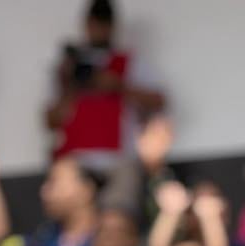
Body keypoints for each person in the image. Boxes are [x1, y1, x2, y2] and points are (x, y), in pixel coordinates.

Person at [46, 0, 166, 171]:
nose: (98, 30)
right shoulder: (69, 68)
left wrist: (118, 86)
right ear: (86, 24)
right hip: (74, 163)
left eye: (104, 24)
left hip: (119, 161)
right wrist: (70, 86)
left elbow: (160, 101)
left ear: (112, 26)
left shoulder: (129, 64)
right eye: (94, 24)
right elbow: (50, 121)